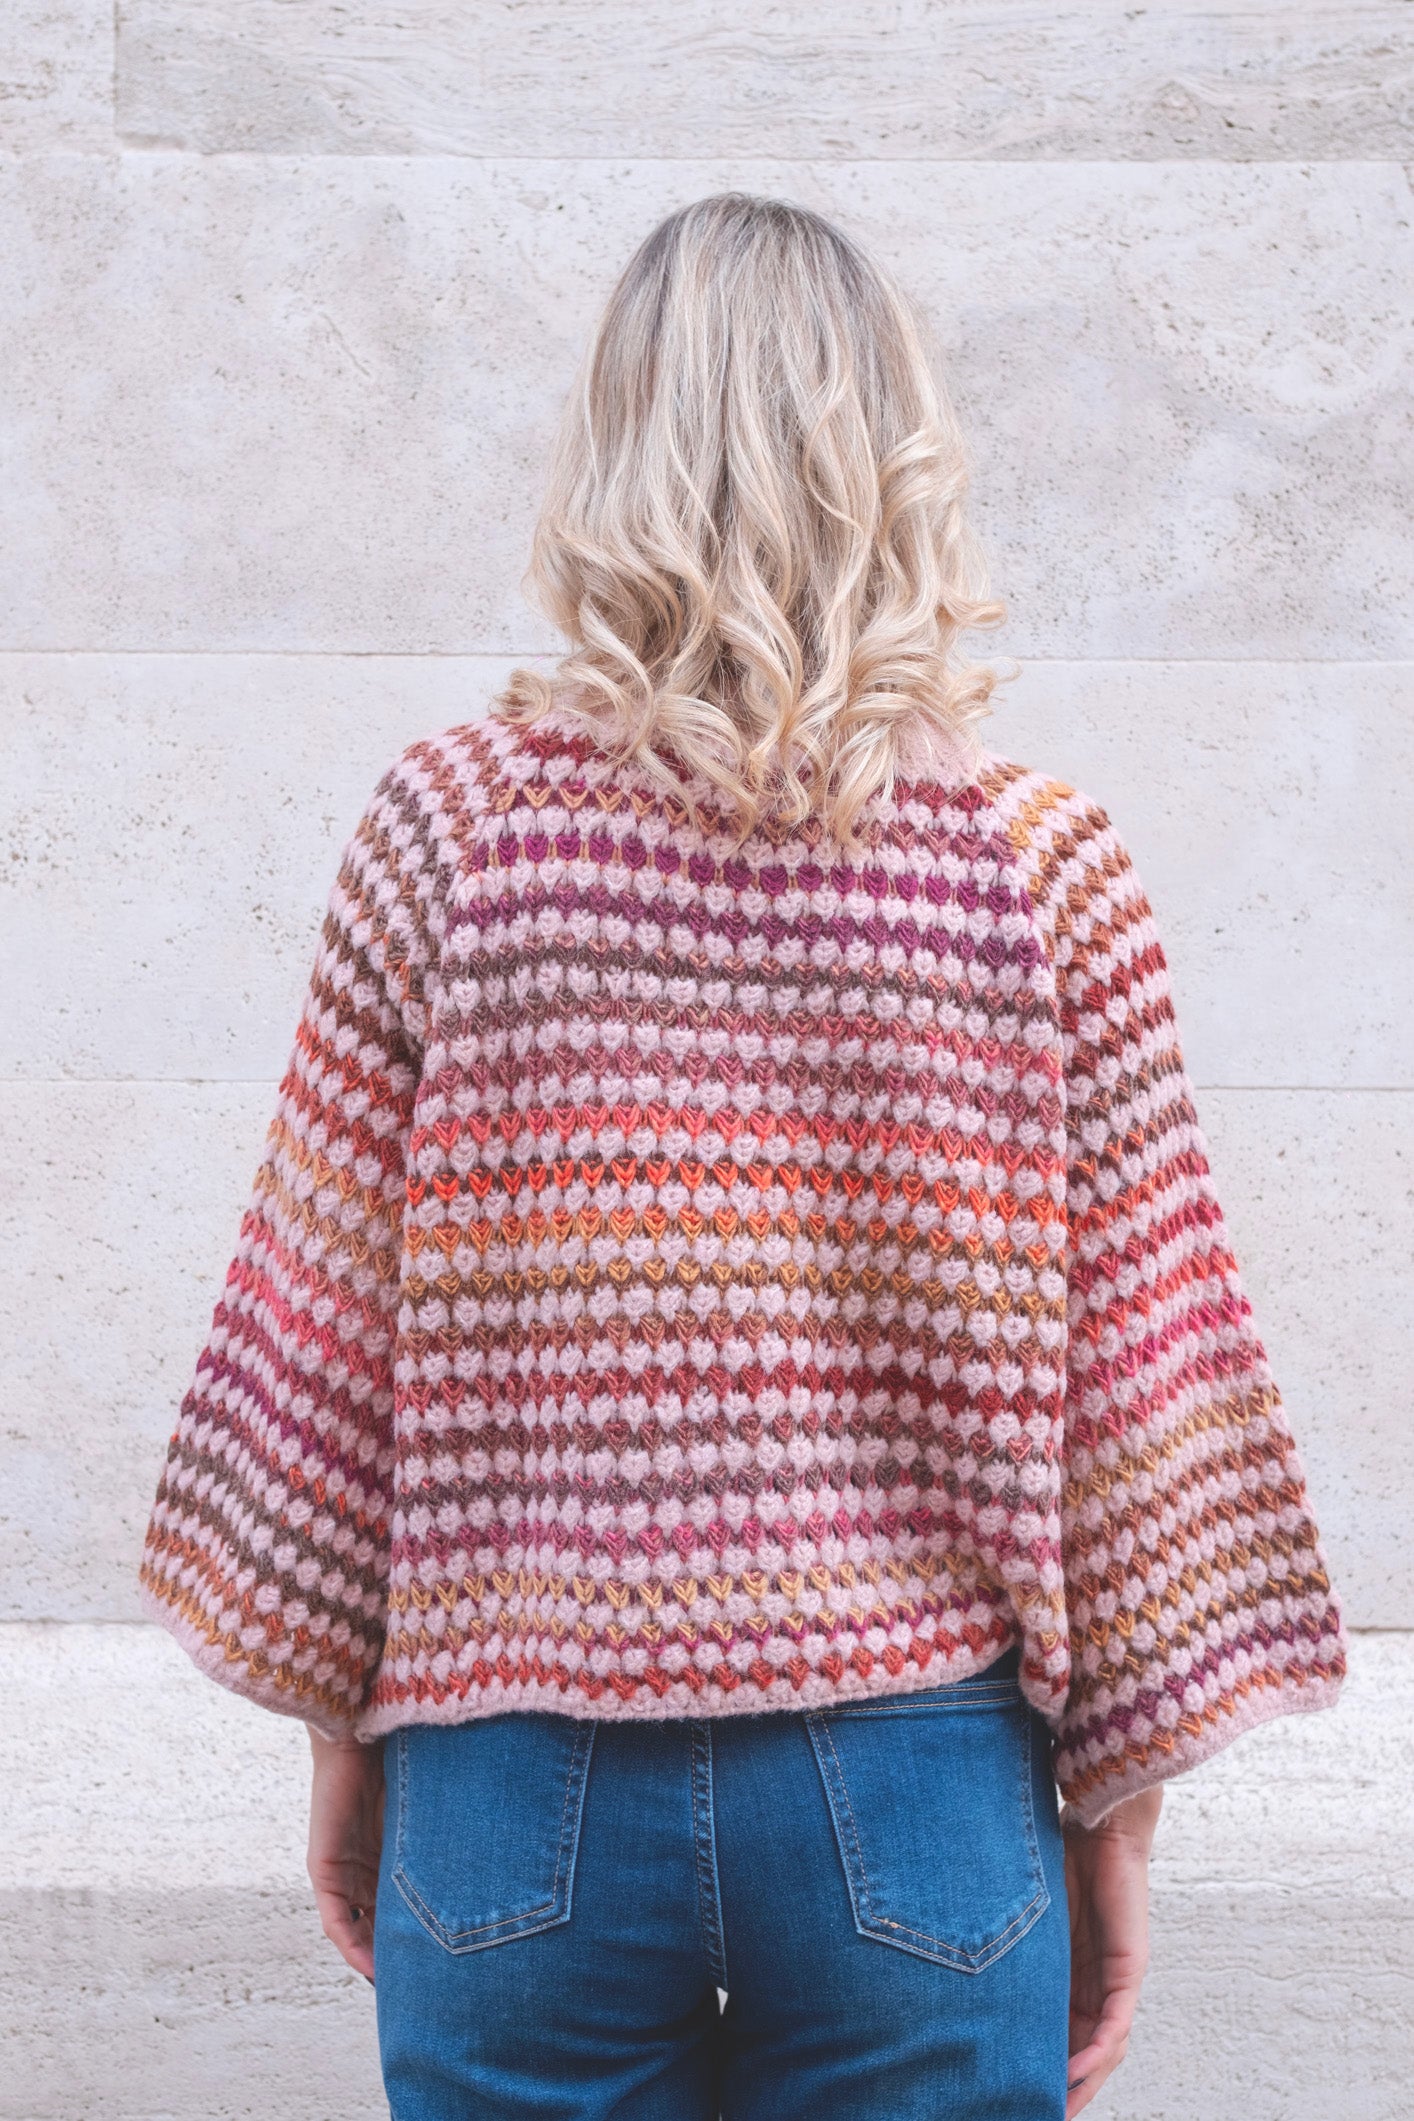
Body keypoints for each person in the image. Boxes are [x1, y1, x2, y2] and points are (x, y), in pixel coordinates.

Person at [138, 193, 1347, 2120]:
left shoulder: (451, 835)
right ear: (899, 458)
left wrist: (343, 1743)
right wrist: (1114, 1830)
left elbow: (322, 1353)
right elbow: (1143, 1401)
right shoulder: (1043, 872)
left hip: (512, 1770)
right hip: (919, 1793)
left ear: (612, 455)